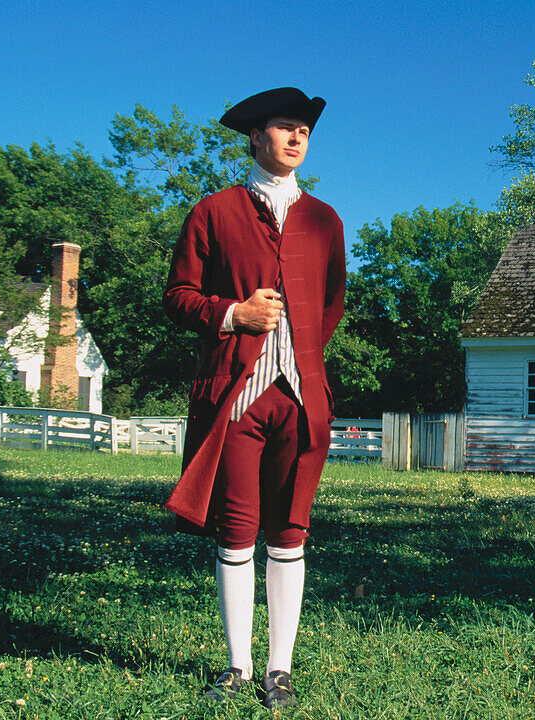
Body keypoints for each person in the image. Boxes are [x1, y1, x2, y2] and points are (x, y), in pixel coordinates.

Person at [162, 87, 345, 709]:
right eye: (284, 127)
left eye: (304, 131)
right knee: (237, 532)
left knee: (290, 532)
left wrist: (305, 352)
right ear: (256, 138)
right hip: (236, 401)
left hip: (301, 398)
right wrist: (231, 312)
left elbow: (332, 302)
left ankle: (280, 669)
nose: (296, 138)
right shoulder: (214, 212)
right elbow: (178, 295)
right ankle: (238, 667)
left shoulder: (324, 220)